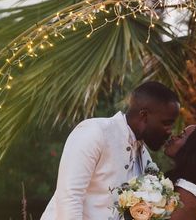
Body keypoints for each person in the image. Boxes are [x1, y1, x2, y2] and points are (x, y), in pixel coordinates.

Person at [40, 81, 180, 220]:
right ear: (144, 116)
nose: (170, 131)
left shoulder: (144, 156)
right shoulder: (95, 132)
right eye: (166, 123)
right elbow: (69, 197)